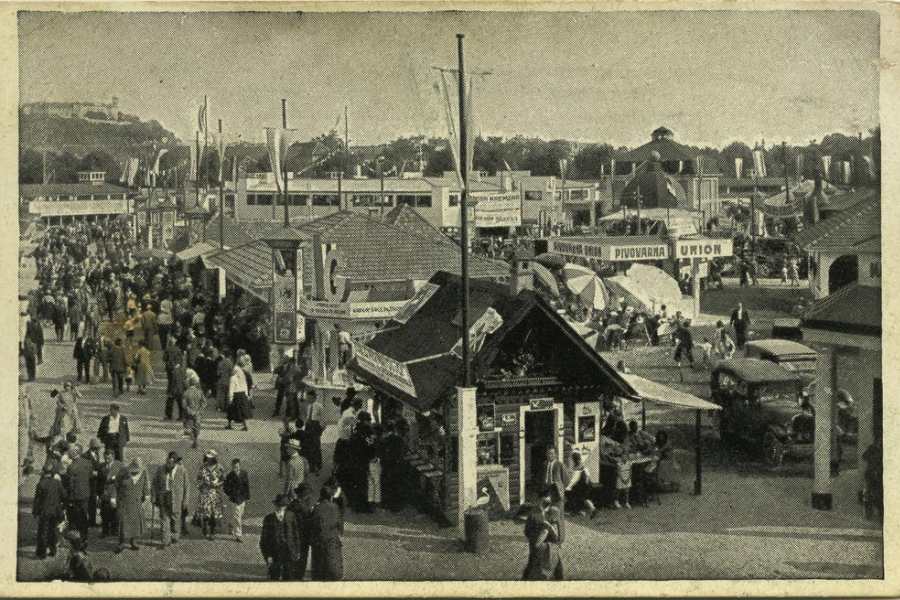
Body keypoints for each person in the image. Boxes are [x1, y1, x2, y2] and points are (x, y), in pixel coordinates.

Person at [151, 451, 189, 548]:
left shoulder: (182, 471)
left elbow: (186, 487)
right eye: (167, 462)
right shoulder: (160, 469)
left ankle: (175, 535)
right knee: (164, 518)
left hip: (177, 498)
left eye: (171, 463)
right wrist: (153, 496)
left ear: (175, 463)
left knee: (176, 518)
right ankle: (165, 540)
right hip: (164, 497)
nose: (168, 465)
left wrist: (185, 500)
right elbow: (154, 483)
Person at [260, 494, 301, 581]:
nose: (280, 508)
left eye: (282, 506)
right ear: (275, 505)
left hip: (289, 552)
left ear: (286, 506)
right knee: (274, 576)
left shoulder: (291, 516)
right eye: (278, 505)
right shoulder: (269, 519)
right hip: (275, 552)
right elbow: (264, 540)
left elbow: (296, 535)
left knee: (289, 576)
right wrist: (267, 556)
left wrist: (297, 551)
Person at [310, 482, 344, 581]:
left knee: (319, 562)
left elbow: (313, 523)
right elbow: (339, 524)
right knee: (333, 560)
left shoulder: (316, 507)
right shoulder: (335, 507)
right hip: (332, 538)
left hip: (319, 539)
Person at [114, 457, 149, 553]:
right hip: (124, 502)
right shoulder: (122, 472)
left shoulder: (144, 473)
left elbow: (145, 485)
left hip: (136, 502)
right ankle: (121, 543)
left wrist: (146, 495)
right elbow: (115, 486)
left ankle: (133, 542)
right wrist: (113, 498)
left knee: (135, 523)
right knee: (123, 524)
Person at [33, 462, 67, 559]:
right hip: (56, 511)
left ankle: (41, 553)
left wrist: (35, 512)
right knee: (53, 530)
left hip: (44, 511)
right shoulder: (57, 483)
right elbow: (64, 495)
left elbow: (37, 500)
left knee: (43, 532)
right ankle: (53, 550)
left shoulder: (41, 484)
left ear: (44, 472)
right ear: (53, 473)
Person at [66, 443, 94, 548]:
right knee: (83, 517)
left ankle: (75, 540)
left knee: (73, 519)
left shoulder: (71, 467)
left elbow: (70, 485)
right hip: (85, 494)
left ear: (74, 453)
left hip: (74, 497)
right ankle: (84, 538)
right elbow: (91, 477)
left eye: (69, 451)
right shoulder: (88, 463)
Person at [195, 450, 225, 540]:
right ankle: (204, 527)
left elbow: (223, 479)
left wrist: (218, 484)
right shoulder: (202, 467)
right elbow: (198, 480)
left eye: (210, 458)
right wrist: (202, 484)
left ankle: (212, 532)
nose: (208, 459)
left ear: (214, 458)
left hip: (214, 494)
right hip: (204, 494)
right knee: (204, 514)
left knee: (213, 514)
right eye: (207, 457)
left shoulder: (219, 468)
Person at [223, 458, 250, 543]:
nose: (236, 468)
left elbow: (247, 485)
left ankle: (231, 525)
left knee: (239, 515)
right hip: (234, 499)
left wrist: (247, 495)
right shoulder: (230, 476)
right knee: (237, 517)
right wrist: (231, 494)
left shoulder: (244, 473)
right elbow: (225, 488)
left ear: (240, 466)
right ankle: (238, 535)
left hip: (242, 498)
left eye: (237, 467)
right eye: (234, 467)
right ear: (232, 466)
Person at [98, 448, 122, 538]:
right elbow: (99, 480)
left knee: (115, 512)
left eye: (108, 458)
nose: (106, 460)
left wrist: (115, 478)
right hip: (104, 493)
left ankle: (115, 530)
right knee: (104, 513)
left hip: (115, 493)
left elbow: (123, 478)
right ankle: (105, 530)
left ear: (113, 456)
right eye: (105, 458)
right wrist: (99, 493)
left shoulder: (119, 465)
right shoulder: (102, 466)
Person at [565, 451, 598, 519]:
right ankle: (582, 510)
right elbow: (588, 475)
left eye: (572, 459)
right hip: (586, 484)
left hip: (582, 486)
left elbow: (575, 479)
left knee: (578, 497)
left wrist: (569, 487)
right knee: (583, 498)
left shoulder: (577, 467)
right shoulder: (582, 465)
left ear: (574, 459)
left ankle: (592, 510)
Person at [182, 372, 204, 449]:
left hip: (189, 413)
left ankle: (194, 441)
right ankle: (196, 439)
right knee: (197, 427)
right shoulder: (200, 392)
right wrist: (199, 410)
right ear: (196, 383)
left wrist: (189, 410)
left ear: (189, 383)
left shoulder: (186, 393)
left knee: (189, 427)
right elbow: (204, 403)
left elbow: (184, 405)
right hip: (197, 413)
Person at [227, 364, 251, 431]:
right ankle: (245, 426)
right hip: (242, 394)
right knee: (242, 411)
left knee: (231, 410)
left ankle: (229, 425)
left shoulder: (233, 378)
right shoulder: (242, 377)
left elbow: (231, 388)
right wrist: (246, 395)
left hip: (236, 395)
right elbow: (245, 386)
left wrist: (230, 398)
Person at [305, 392, 325, 474]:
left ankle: (316, 467)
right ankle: (310, 466)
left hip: (316, 427)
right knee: (308, 446)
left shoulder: (319, 406)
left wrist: (321, 431)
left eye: (309, 398)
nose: (308, 399)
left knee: (316, 447)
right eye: (307, 398)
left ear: (314, 397)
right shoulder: (308, 406)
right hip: (309, 427)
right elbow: (307, 418)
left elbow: (323, 419)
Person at [543, 446, 565, 511]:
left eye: (552, 453)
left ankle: (559, 520)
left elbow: (564, 478)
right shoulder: (545, 464)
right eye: (548, 453)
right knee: (546, 506)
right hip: (547, 487)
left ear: (556, 455)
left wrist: (561, 487)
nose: (550, 455)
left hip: (556, 488)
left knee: (557, 507)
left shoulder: (559, 464)